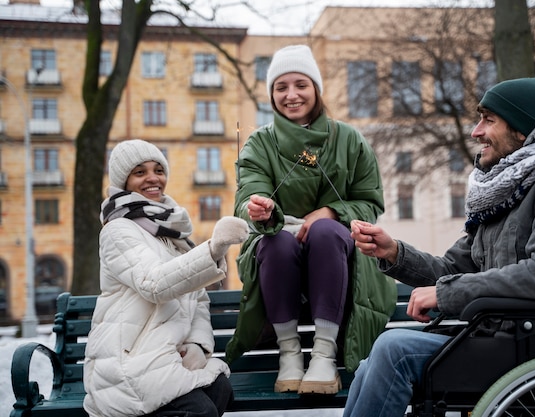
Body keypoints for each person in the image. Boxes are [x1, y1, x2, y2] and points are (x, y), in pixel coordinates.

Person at [344, 77, 535, 417]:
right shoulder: (506, 186)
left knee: (395, 349)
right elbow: (452, 270)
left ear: (523, 130)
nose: (475, 132)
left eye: (488, 120)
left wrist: (446, 294)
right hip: (495, 334)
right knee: (372, 362)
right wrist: (392, 251)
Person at [225, 44, 397, 395]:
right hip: (275, 252)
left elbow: (370, 202)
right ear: (272, 95)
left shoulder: (349, 140)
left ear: (315, 88)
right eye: (281, 87)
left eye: (300, 84)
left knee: (324, 231)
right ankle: (289, 353)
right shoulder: (259, 144)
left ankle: (324, 353)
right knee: (278, 241)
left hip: (340, 256)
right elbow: (247, 197)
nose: (291, 95)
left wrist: (331, 211)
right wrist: (257, 209)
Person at [83, 139, 249, 417]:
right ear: (124, 181)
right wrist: (214, 249)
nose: (152, 178)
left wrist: (197, 344)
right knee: (199, 411)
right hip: (128, 360)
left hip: (165, 356)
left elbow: (198, 300)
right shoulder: (118, 230)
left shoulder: (171, 233)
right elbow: (155, 284)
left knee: (220, 390)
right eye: (140, 172)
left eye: (158, 170)